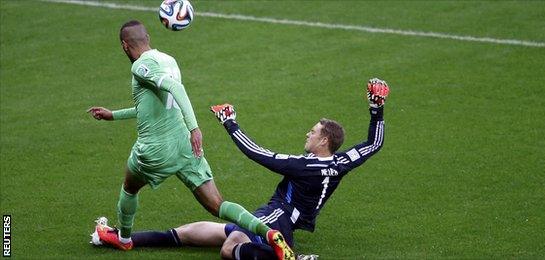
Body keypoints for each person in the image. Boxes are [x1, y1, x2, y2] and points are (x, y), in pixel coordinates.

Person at [94, 78, 389, 260]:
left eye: (313, 132)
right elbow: (374, 143)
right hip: (290, 218)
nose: (307, 134)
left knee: (229, 248)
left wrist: (229, 122)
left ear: (324, 140)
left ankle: (286, 255)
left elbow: (259, 154)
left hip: (276, 215)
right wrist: (377, 108)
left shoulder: (304, 166)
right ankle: (124, 238)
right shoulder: (340, 163)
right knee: (191, 233)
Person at [87, 20, 294, 260]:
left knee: (129, 187)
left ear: (125, 46)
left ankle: (123, 239)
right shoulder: (169, 60)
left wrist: (195, 127)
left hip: (156, 150)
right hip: (186, 147)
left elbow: (176, 89)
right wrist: (113, 115)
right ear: (148, 38)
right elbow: (155, 106)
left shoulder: (140, 67)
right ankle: (269, 234)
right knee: (218, 204)